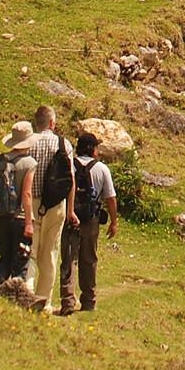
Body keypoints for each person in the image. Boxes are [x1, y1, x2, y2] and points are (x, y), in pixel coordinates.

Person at [21, 105, 78, 312]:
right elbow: (71, 180)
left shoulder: (29, 143)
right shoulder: (63, 144)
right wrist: (71, 210)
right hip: (56, 205)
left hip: (31, 203)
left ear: (37, 123)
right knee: (50, 253)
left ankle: (26, 293)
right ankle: (44, 302)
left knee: (30, 251)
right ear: (52, 123)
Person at [57, 132, 119, 314]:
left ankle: (67, 300)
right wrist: (114, 221)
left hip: (70, 217)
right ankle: (88, 300)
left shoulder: (69, 165)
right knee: (89, 259)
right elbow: (110, 197)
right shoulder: (102, 169)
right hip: (91, 220)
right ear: (93, 150)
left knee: (69, 259)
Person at [0, 122, 35, 289]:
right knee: (21, 263)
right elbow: (27, 194)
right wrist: (29, 223)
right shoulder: (29, 164)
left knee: (4, 259)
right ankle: (17, 300)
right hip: (19, 219)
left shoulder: (0, 160)